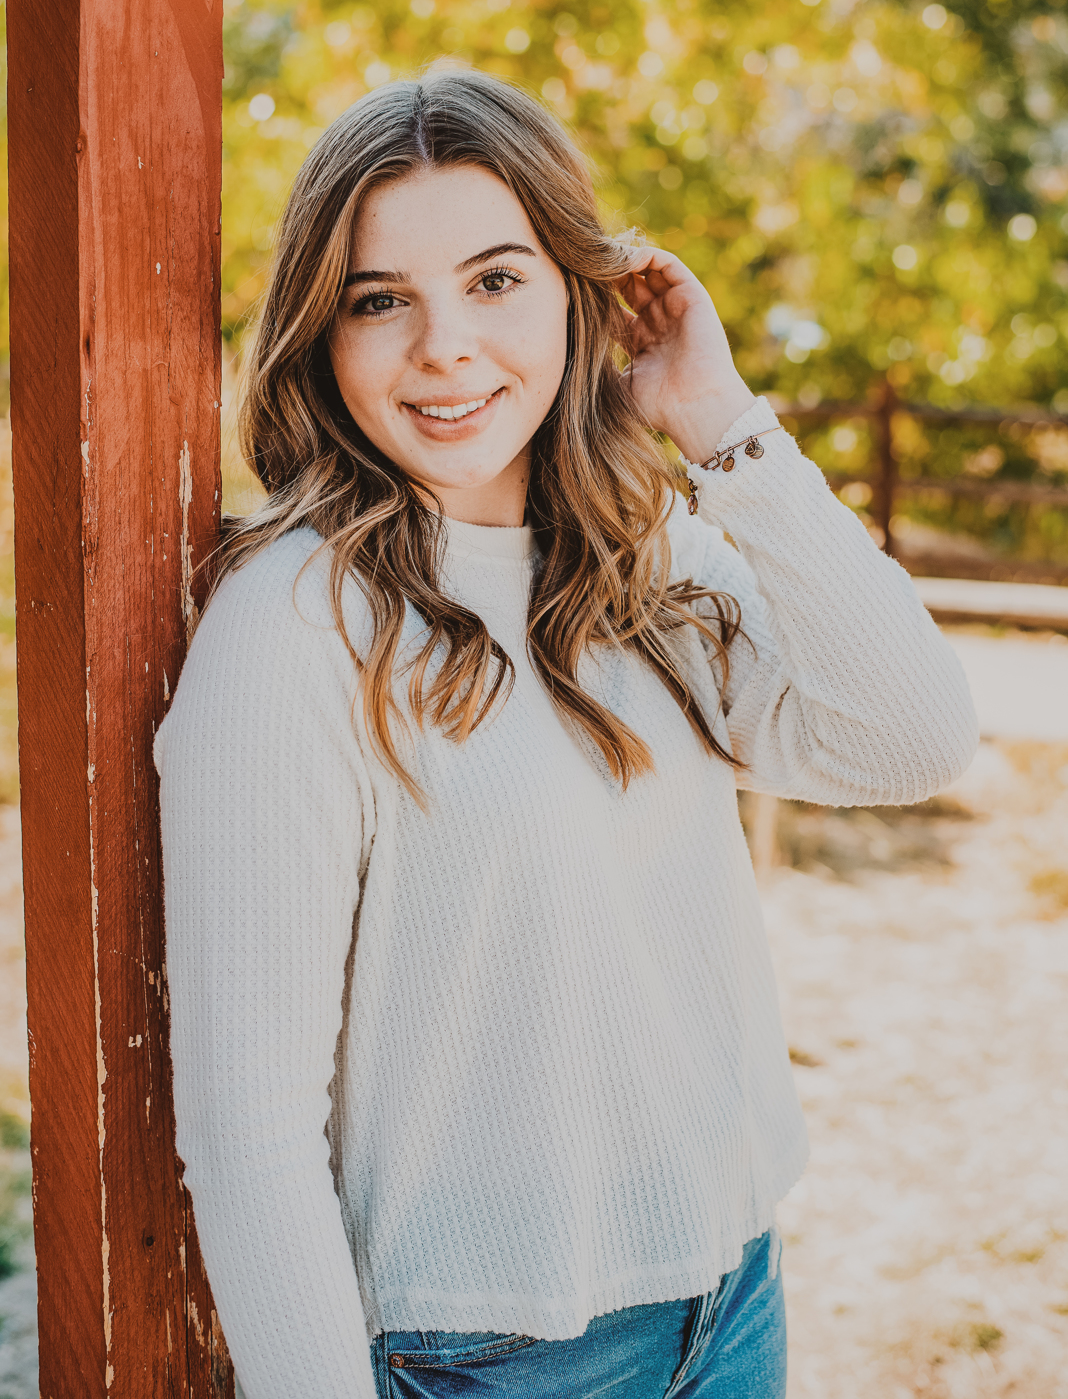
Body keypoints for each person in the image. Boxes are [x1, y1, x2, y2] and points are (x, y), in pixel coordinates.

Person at [155, 68, 978, 1399]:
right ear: (323, 331)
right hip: (491, 1362)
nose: (446, 350)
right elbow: (249, 1134)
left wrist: (719, 422)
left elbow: (914, 737)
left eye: (495, 280)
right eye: (381, 301)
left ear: (579, 294)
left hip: (733, 1301)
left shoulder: (649, 562)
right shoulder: (293, 633)